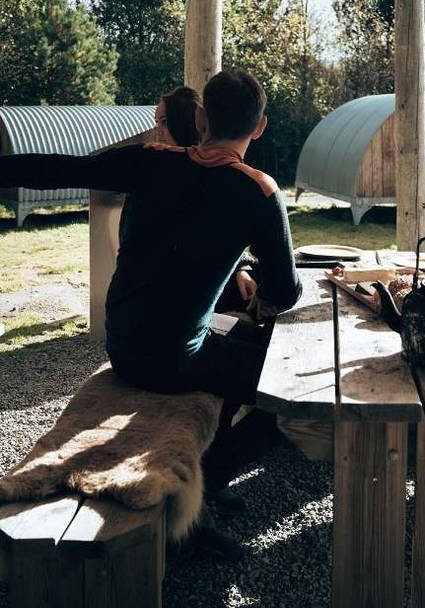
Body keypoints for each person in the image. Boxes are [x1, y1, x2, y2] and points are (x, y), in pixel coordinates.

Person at [0, 68, 302, 559]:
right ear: (260, 126)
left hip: (122, 347)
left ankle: (206, 479)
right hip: (175, 361)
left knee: (247, 346)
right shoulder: (260, 191)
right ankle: (198, 504)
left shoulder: (150, 161)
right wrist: (266, 275)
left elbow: (61, 168)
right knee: (286, 390)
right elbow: (285, 293)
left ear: (201, 117)